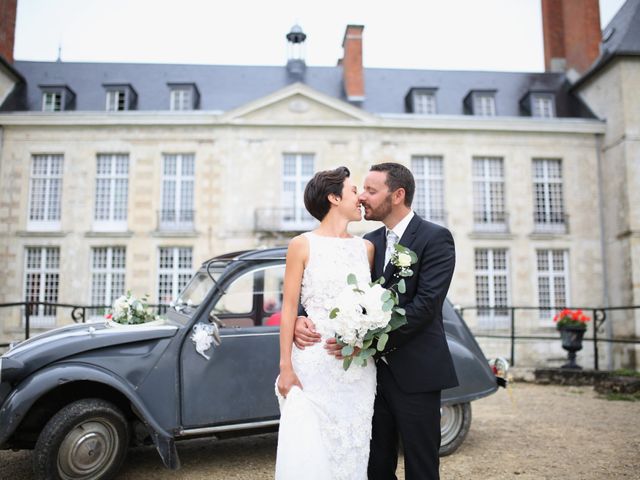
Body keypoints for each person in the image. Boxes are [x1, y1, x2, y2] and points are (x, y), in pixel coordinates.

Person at [294, 162, 458, 480]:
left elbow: (425, 307)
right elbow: (336, 291)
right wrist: (302, 317)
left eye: (371, 190)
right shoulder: (369, 242)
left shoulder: (436, 238)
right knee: (375, 468)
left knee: (421, 467)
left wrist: (362, 343)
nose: (363, 197)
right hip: (369, 378)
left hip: (417, 375)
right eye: (361, 190)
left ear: (397, 195)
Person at [275, 166, 376, 480]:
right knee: (310, 449)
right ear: (334, 197)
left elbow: (370, 308)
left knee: (354, 447)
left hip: (357, 368)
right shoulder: (302, 245)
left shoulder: (366, 249)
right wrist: (286, 367)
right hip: (314, 365)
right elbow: (290, 306)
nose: (360, 197)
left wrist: (363, 342)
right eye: (352, 190)